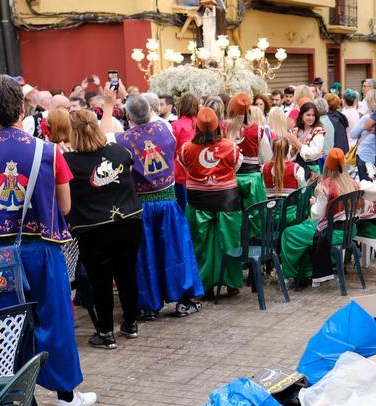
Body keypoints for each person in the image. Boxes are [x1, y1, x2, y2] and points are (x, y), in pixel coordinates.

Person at [0, 74, 95, 406]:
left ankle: (10, 396)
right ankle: (65, 397)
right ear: (23, 108)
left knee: (3, 322)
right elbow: (64, 207)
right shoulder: (47, 150)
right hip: (42, 246)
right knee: (55, 318)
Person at [116, 94, 203, 319]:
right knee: (175, 251)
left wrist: (109, 106)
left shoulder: (122, 139)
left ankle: (148, 305)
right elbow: (151, 114)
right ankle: (184, 300)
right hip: (167, 202)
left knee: (147, 256)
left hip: (142, 206)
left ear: (127, 116)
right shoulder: (166, 129)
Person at [64, 109, 143, 349]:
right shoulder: (120, 153)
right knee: (127, 274)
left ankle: (106, 332)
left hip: (93, 226)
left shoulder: (69, 162)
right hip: (129, 220)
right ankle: (130, 323)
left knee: (100, 280)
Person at [178, 107, 243, 295]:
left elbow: (183, 166)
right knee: (230, 242)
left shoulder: (186, 148)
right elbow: (236, 165)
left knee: (201, 245)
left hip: (198, 203)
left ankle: (203, 285)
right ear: (218, 126)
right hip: (227, 202)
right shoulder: (230, 147)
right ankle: (231, 284)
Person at [279, 148, 356, 287]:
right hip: (349, 231)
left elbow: (316, 215)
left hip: (330, 234)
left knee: (289, 233)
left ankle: (291, 273)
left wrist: (314, 203)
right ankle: (308, 271)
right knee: (304, 230)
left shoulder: (325, 187)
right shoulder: (353, 184)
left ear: (326, 165)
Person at [227, 95, 271, 227]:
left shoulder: (226, 129)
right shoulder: (258, 130)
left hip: (231, 180)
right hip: (253, 180)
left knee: (235, 217)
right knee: (255, 217)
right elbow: (267, 158)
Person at [171, 93, 199, 208]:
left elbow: (171, 150)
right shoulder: (202, 123)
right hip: (200, 171)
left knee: (182, 209)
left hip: (181, 173)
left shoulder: (175, 126)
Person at [292, 102, 326, 176]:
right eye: (308, 115)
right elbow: (290, 153)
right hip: (297, 167)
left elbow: (313, 152)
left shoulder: (318, 131)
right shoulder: (297, 130)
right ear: (301, 116)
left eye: (313, 115)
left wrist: (297, 143)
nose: (311, 118)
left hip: (312, 168)